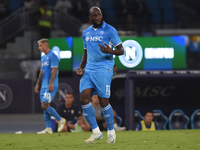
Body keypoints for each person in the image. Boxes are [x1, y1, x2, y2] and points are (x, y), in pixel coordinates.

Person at [76, 6, 124, 144]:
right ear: (90, 18)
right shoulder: (86, 33)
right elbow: (86, 53)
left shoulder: (110, 30)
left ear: (101, 15)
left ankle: (111, 132)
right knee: (84, 99)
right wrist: (81, 67)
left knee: (104, 102)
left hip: (104, 69)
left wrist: (110, 50)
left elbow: (121, 50)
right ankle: (96, 132)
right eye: (94, 16)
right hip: (89, 70)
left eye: (99, 15)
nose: (97, 18)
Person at [34, 38, 66, 134]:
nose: (39, 48)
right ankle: (48, 128)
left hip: (50, 85)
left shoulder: (53, 56)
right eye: (38, 46)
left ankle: (60, 120)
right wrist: (37, 84)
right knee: (44, 107)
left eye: (40, 45)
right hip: (43, 86)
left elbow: (54, 70)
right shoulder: (43, 57)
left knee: (44, 105)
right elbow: (41, 72)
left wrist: (51, 83)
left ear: (46, 45)